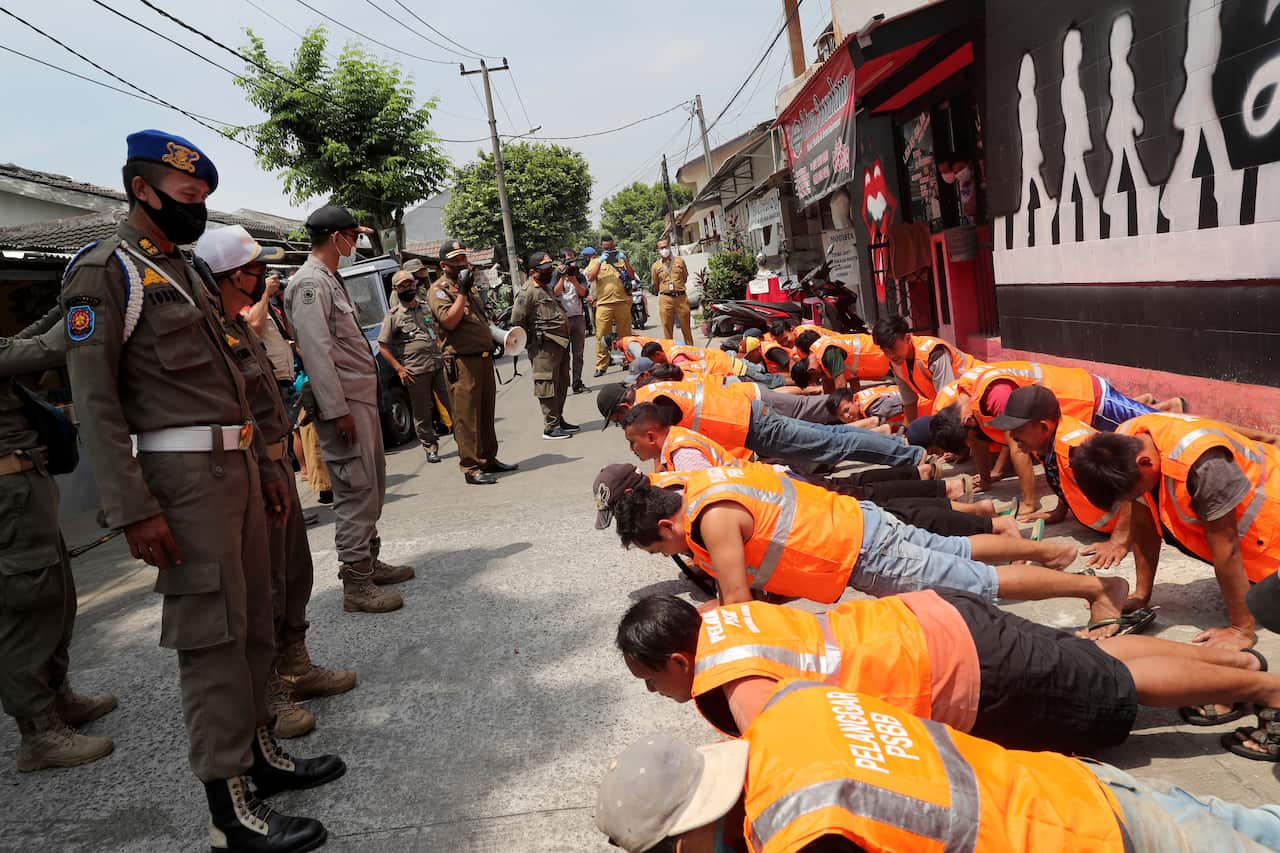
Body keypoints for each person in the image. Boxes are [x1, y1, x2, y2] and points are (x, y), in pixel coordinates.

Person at [61, 130, 335, 850]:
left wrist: (269, 469)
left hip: (237, 470)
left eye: (205, 199)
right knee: (212, 639)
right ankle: (229, 810)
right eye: (188, 198)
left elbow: (234, 376)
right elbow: (95, 403)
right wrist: (133, 509)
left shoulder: (178, 267)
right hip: (180, 486)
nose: (197, 211)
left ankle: (262, 759)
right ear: (141, 189)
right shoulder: (105, 273)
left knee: (251, 623)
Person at [595, 679, 1280, 853]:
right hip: (1075, 783)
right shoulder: (789, 714)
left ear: (694, 825)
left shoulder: (800, 832)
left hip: (1094, 838)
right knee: (1257, 822)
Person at [617, 593, 1280, 754]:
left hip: (957, 668)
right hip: (931, 615)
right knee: (1090, 655)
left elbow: (797, 759)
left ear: (680, 661)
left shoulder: (736, 688)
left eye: (653, 680)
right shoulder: (708, 616)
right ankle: (1235, 663)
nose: (659, 693)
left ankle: (1263, 687)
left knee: (1109, 689)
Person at [593, 464, 1132, 626]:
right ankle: (1044, 551)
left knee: (978, 585)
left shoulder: (709, 522)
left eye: (658, 551)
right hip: (858, 523)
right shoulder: (693, 485)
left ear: (664, 529)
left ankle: (1095, 589)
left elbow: (740, 602)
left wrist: (713, 624)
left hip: (861, 551)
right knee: (959, 554)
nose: (669, 557)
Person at [196, 224, 358, 738]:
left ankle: (296, 664)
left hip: (272, 465)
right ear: (230, 276)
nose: (264, 276)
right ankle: (269, 692)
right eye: (255, 269)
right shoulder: (211, 332)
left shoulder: (236, 328)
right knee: (261, 587)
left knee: (293, 572)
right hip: (244, 472)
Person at [0, 313, 116, 772]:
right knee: (26, 611)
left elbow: (22, 342)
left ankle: (57, 698)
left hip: (24, 488)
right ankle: (39, 732)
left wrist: (66, 301)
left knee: (56, 598)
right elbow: (46, 348)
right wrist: (88, 302)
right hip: (9, 497)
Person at [620, 406, 1011, 539]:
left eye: (634, 443)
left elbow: (708, 501)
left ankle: (964, 504)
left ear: (650, 435)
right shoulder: (677, 444)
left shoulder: (685, 454)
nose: (635, 451)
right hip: (770, 476)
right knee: (856, 491)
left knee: (864, 499)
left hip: (772, 486)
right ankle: (954, 495)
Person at [286, 205, 412, 614]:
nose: (355, 243)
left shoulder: (329, 279)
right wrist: (335, 410)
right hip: (342, 404)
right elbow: (318, 353)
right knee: (355, 488)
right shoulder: (309, 284)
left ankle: (369, 560)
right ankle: (356, 583)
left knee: (372, 484)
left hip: (358, 399)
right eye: (352, 236)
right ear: (335, 236)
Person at [1071, 413, 1280, 652]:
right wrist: (1141, 595)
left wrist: (1240, 629)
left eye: (1133, 492)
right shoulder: (1125, 439)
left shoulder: (1205, 465)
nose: (1133, 499)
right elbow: (1143, 525)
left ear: (1145, 462)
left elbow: (1227, 548)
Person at [996, 384, 1157, 579]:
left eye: (1017, 429)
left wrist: (1119, 541)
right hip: (1098, 525)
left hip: (1117, 527)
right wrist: (1059, 512)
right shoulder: (1043, 442)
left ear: (1044, 426)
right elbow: (1060, 476)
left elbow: (1131, 487)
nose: (1012, 436)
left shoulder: (1075, 450)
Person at [597, 379, 926, 470]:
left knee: (833, 445)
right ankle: (904, 449)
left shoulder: (651, 405)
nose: (621, 425)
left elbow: (663, 445)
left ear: (623, 406)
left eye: (616, 419)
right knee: (833, 436)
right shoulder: (655, 388)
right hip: (751, 417)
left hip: (754, 425)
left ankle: (910, 457)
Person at [426, 238, 516, 485]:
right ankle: (471, 467)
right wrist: (463, 292)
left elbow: (480, 319)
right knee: (466, 417)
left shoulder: (469, 288)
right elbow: (450, 322)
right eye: (455, 260)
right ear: (444, 265)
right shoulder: (439, 290)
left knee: (486, 412)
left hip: (483, 358)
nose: (462, 263)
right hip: (461, 362)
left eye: (463, 258)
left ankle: (488, 459)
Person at [378, 270, 452, 463]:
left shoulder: (426, 307)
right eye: (403, 286)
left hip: (438, 364)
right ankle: (430, 447)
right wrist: (399, 369)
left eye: (410, 284)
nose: (408, 288)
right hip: (415, 371)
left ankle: (464, 440)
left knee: (453, 403)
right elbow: (383, 346)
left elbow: (440, 330)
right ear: (396, 289)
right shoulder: (394, 316)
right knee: (422, 411)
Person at [512, 250, 577, 440]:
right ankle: (550, 427)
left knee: (562, 383)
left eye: (550, 267)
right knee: (546, 385)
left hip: (560, 344)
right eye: (545, 268)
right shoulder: (528, 292)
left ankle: (558, 419)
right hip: (543, 347)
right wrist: (531, 345)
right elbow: (517, 322)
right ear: (533, 271)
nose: (549, 271)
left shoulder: (545, 288)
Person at [872, 313, 983, 423]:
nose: (891, 355)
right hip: (954, 398)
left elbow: (947, 400)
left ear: (907, 338)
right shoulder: (896, 363)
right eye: (886, 351)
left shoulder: (933, 354)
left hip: (977, 388)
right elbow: (909, 402)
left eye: (893, 348)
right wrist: (906, 430)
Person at [588, 235, 635, 377]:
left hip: (622, 302)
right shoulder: (596, 261)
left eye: (611, 248)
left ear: (615, 246)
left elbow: (632, 276)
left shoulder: (620, 259)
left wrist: (625, 259)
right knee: (601, 335)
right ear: (602, 247)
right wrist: (601, 261)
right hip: (604, 303)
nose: (609, 251)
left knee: (625, 334)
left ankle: (627, 360)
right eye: (606, 248)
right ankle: (602, 365)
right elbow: (590, 278)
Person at [793, 330, 890, 391]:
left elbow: (841, 385)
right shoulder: (819, 354)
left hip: (883, 352)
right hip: (882, 360)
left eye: (817, 379)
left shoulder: (827, 353)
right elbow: (852, 376)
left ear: (811, 371)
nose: (821, 379)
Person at [552, 247, 590, 393]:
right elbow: (554, 293)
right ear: (561, 260)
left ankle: (577, 382)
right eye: (566, 259)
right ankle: (563, 383)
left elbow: (584, 292)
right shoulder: (555, 275)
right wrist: (562, 277)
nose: (570, 262)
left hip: (578, 317)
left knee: (578, 353)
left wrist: (573, 280)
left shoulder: (579, 275)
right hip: (561, 320)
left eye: (571, 259)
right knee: (563, 354)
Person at [650, 236, 693, 343]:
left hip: (681, 298)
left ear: (669, 246)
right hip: (666, 299)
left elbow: (684, 277)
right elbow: (656, 284)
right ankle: (670, 353)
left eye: (665, 247)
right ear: (658, 250)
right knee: (667, 327)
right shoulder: (655, 266)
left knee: (686, 328)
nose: (664, 250)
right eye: (661, 248)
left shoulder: (680, 261)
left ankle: (692, 352)